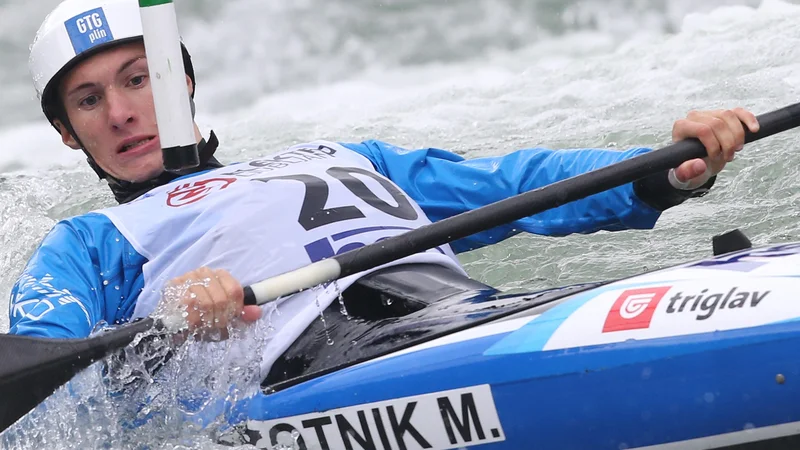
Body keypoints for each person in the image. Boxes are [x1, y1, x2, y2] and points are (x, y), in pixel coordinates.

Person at [9, 0, 759, 364]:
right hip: (326, 365)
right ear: (67, 133)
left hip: (471, 316)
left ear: (183, 82)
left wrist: (668, 169)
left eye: (139, 80)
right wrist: (166, 329)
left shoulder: (337, 153)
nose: (121, 112)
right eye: (88, 100)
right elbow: (46, 382)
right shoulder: (88, 242)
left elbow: (512, 182)